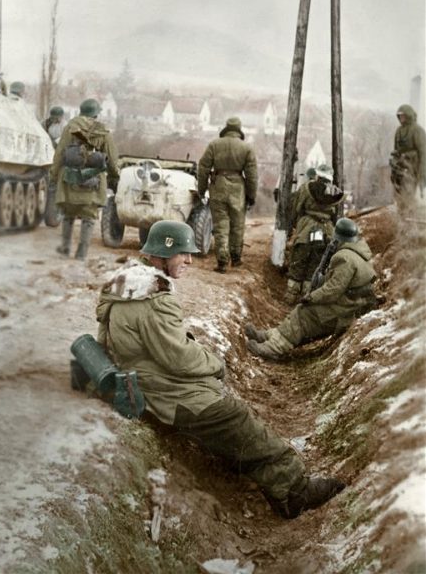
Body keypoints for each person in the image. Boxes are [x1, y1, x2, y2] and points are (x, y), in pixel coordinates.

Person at [94, 220, 344, 519]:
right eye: (183, 253)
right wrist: (215, 363)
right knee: (237, 417)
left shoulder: (126, 287)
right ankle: (294, 491)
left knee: (229, 414)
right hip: (166, 393)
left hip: (147, 382)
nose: (189, 260)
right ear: (163, 252)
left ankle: (240, 463)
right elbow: (179, 358)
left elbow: (116, 342)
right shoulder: (155, 300)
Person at [246, 218, 377, 362]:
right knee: (302, 310)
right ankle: (273, 335)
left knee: (304, 313)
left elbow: (332, 290)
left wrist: (312, 297)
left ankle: (274, 347)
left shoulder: (344, 258)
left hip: (345, 311)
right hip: (352, 305)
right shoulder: (359, 252)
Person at [50, 98, 119, 260]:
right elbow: (112, 158)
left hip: (69, 179)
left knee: (68, 214)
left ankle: (65, 248)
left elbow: (59, 153)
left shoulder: (69, 128)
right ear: (96, 113)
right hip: (93, 181)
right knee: (88, 217)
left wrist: (53, 175)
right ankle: (81, 253)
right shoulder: (102, 130)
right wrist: (115, 177)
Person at [197, 117, 257, 273]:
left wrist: (202, 189)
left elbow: (203, 168)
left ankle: (222, 261)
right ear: (239, 129)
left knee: (221, 225)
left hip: (218, 187)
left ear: (226, 128)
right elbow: (252, 175)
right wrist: (251, 196)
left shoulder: (214, 145)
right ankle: (236, 258)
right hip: (238, 189)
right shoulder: (247, 148)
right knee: (237, 225)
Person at [285, 163, 344, 304]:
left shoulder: (306, 188)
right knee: (315, 265)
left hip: (307, 229)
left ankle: (290, 297)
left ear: (318, 175)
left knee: (298, 262)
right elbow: (336, 217)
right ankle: (307, 297)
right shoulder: (337, 193)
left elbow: (297, 207)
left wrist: (292, 226)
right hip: (325, 232)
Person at [389, 104, 426, 214]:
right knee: (398, 194)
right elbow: (396, 150)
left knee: (408, 194)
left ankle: (410, 216)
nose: (401, 118)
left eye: (403, 115)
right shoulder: (399, 131)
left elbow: (423, 152)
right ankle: (401, 215)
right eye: (399, 116)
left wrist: (422, 173)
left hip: (412, 169)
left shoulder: (417, 130)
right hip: (399, 168)